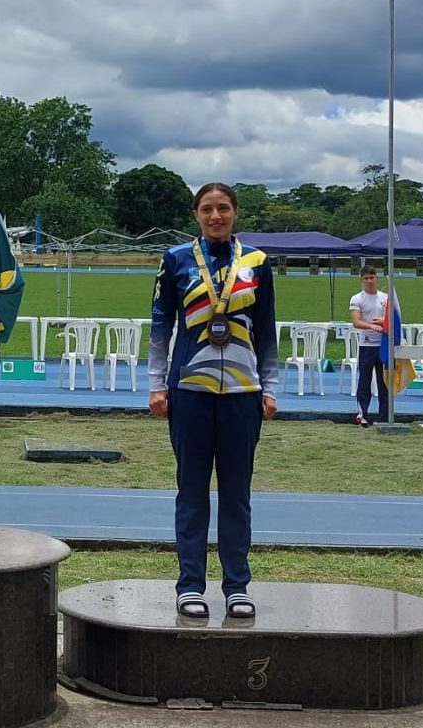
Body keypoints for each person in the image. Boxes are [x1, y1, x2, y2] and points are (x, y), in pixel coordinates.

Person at [148, 182, 278, 619]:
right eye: (207, 209)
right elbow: (160, 324)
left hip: (243, 394)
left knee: (237, 493)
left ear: (236, 212)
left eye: (223, 208)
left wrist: (270, 387)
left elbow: (267, 329)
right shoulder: (176, 260)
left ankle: (237, 586)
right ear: (196, 214)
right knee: (192, 491)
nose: (216, 215)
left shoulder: (257, 262)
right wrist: (156, 384)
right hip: (190, 392)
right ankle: (190, 585)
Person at [349, 265, 387, 427]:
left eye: (372, 278)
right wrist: (372, 326)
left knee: (384, 382)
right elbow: (356, 321)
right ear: (361, 279)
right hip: (367, 345)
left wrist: (383, 323)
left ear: (377, 278)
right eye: (366, 278)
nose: (370, 281)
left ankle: (384, 416)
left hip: (383, 345)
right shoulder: (357, 299)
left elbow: (393, 319)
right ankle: (362, 415)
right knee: (365, 381)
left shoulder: (385, 298)